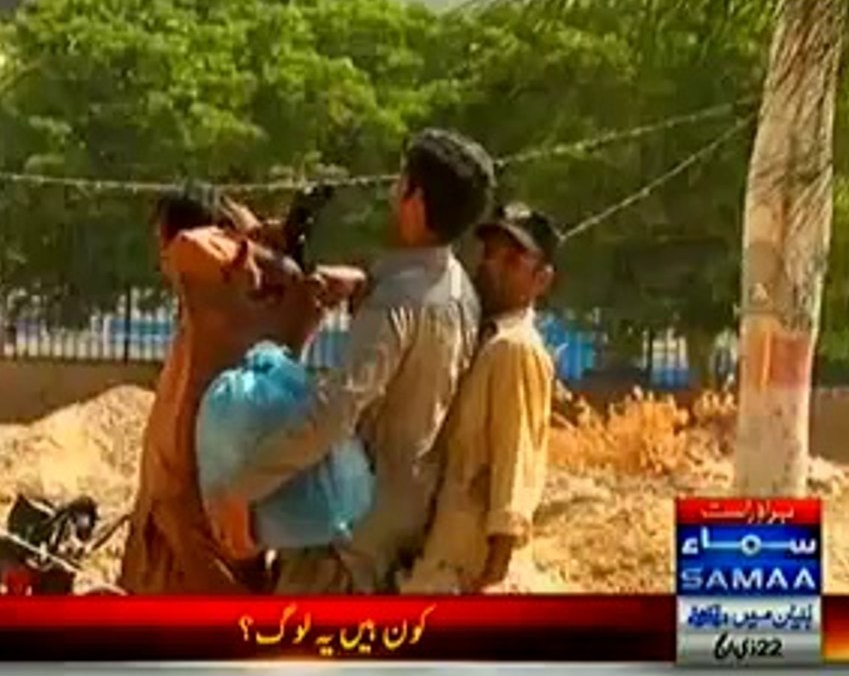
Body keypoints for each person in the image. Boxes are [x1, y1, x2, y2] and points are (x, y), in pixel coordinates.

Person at [213, 129, 496, 593]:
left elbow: (334, 414)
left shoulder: (397, 303)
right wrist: (364, 284)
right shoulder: (461, 290)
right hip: (405, 513)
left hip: (349, 534)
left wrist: (243, 488)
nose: (393, 188)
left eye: (402, 179)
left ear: (415, 199)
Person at [118, 193, 345, 595]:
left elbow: (190, 247)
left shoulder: (225, 301)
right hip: (202, 510)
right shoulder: (278, 299)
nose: (163, 257)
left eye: (161, 240)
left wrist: (251, 241)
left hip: (191, 517)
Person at [400, 203, 560, 594]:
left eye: (511, 260)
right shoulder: (480, 340)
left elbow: (515, 462)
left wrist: (492, 573)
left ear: (541, 279)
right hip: (439, 556)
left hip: (467, 570)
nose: (491, 266)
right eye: (489, 253)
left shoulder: (515, 348)